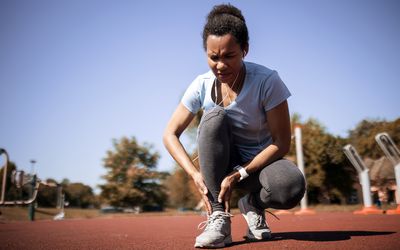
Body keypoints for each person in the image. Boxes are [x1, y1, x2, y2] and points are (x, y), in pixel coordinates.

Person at [163, 4, 306, 248]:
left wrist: (239, 174)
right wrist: (195, 174)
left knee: (290, 187)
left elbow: (281, 143)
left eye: (229, 56)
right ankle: (218, 217)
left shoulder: (267, 81)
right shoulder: (201, 84)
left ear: (245, 50)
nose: (220, 65)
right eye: (213, 57)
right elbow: (170, 134)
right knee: (214, 117)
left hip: (256, 167)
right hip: (218, 167)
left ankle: (253, 205)